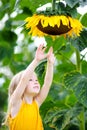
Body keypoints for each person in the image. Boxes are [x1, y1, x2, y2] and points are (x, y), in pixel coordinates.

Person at [4, 44, 55, 130]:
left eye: (36, 80)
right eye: (30, 80)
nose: (35, 82)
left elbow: (47, 84)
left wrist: (50, 64)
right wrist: (36, 60)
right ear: (18, 87)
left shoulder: (36, 103)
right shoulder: (16, 103)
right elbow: (23, 80)